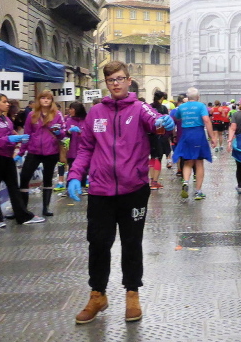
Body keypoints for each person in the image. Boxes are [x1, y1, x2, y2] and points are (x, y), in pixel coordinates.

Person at [67, 61, 173, 324]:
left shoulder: (139, 108)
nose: (116, 83)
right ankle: (97, 295)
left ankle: (132, 294)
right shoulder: (95, 113)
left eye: (120, 78)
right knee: (98, 243)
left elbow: (156, 123)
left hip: (133, 189)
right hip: (100, 190)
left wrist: (165, 123)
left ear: (128, 80)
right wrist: (75, 175)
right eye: (111, 80)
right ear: (106, 83)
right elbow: (85, 148)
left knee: (131, 242)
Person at [0, 93, 45, 227]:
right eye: (4, 102)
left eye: (7, 101)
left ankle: (22, 216)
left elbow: (10, 133)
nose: (7, 104)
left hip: (7, 156)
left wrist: (19, 139)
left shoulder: (6, 119)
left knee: (14, 186)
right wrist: (7, 139)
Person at [17, 90, 66, 217]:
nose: (46, 100)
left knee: (48, 178)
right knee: (24, 177)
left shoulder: (57, 114)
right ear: (39, 100)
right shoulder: (32, 115)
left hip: (51, 151)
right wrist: (21, 152)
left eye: (48, 98)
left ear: (52, 101)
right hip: (34, 151)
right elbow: (27, 134)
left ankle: (46, 208)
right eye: (43, 98)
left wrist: (58, 132)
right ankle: (22, 209)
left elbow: (63, 132)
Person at [172, 87, 216, 200]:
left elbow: (177, 117)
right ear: (198, 97)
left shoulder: (181, 107)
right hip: (198, 134)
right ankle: (198, 191)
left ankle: (186, 182)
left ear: (187, 97)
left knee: (188, 162)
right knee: (199, 163)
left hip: (186, 135)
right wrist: (212, 137)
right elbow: (206, 120)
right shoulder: (201, 106)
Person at [62, 101, 87, 195]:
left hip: (83, 149)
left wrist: (82, 133)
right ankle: (69, 188)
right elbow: (64, 134)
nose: (69, 111)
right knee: (71, 168)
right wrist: (69, 132)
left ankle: (82, 186)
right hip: (72, 150)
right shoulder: (69, 120)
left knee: (83, 169)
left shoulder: (86, 120)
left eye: (71, 109)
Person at [149, 91, 169, 190]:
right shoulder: (163, 108)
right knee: (158, 158)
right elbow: (167, 121)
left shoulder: (149, 107)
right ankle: (155, 182)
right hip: (160, 135)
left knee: (152, 157)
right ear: (162, 98)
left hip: (150, 135)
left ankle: (151, 179)